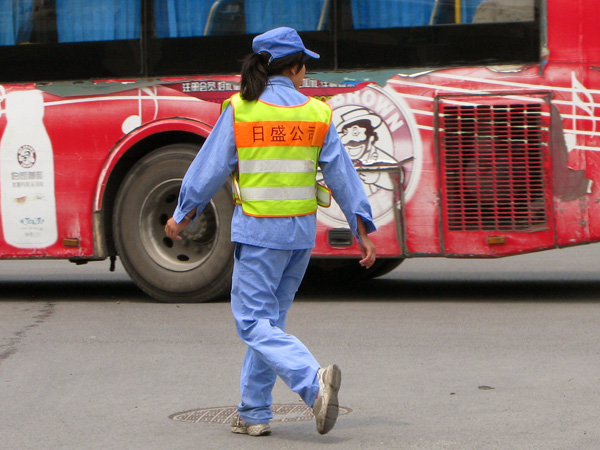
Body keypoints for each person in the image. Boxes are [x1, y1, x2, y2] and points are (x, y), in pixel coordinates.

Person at [164, 26, 377, 437]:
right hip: (299, 236)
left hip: (260, 234)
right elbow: (341, 174)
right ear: (294, 68)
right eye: (303, 67)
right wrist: (361, 227)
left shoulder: (242, 110)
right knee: (268, 325)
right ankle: (254, 412)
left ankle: (310, 380)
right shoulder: (316, 113)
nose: (305, 76)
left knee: (251, 322)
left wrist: (183, 212)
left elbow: (209, 168)